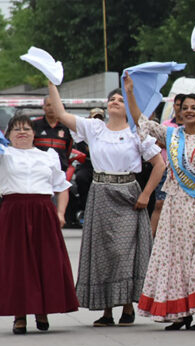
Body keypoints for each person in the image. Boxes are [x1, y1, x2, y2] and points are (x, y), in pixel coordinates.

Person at [46, 81, 165, 327]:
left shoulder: (137, 133)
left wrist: (146, 195)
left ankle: (128, 305)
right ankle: (107, 310)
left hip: (128, 195)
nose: (114, 102)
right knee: (103, 253)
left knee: (123, 253)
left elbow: (160, 165)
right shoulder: (95, 128)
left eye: (120, 100)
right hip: (100, 193)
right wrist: (51, 82)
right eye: (112, 99)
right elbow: (60, 113)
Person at [126, 81, 195, 330]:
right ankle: (182, 311)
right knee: (176, 259)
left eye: (194, 107)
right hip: (174, 206)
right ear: (179, 112)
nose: (188, 111)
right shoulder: (171, 135)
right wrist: (131, 93)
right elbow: (141, 120)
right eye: (185, 107)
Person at [0, 114, 78, 334]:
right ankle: (19, 315)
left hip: (43, 211)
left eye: (26, 128)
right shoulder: (4, 155)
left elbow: (62, 186)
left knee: (45, 261)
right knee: (18, 264)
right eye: (16, 129)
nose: (22, 132)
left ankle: (42, 311)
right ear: (9, 134)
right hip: (13, 211)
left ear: (35, 134)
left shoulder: (48, 156)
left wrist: (60, 213)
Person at [152, 93, 187, 236]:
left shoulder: (190, 127)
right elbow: (157, 143)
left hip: (184, 171)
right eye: (178, 105)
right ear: (174, 106)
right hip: (166, 168)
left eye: (183, 106)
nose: (180, 108)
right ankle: (151, 238)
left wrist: (168, 142)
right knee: (160, 203)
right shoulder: (166, 125)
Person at [32, 95, 73, 171]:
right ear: (43, 107)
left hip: (60, 169)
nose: (51, 108)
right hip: (38, 169)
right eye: (48, 105)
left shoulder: (66, 126)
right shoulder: (34, 125)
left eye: (54, 105)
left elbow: (68, 149)